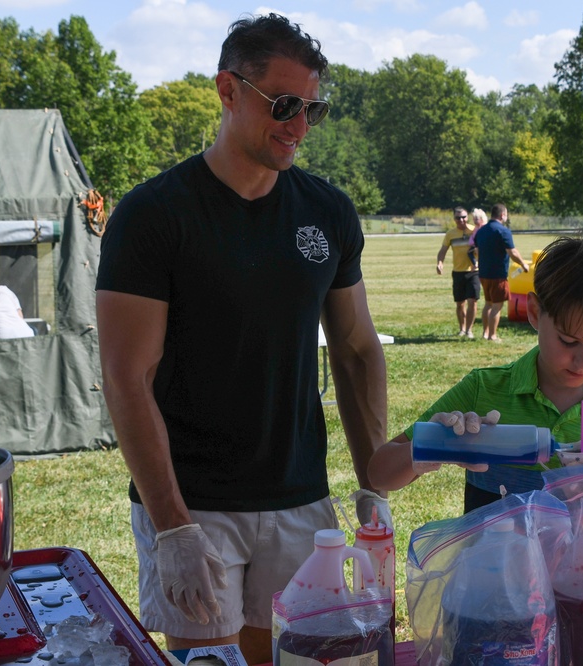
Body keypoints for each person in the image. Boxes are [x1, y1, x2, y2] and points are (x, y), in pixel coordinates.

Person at [94, 13, 389, 665]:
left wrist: (374, 486)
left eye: (313, 108)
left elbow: (357, 349)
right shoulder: (154, 215)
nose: (299, 125)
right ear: (228, 91)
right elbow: (125, 376)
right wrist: (173, 526)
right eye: (284, 104)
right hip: (196, 502)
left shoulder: (327, 211)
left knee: (297, 658)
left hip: (300, 497)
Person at [368, 233, 583, 512]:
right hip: (492, 565)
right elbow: (379, 474)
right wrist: (433, 443)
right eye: (568, 341)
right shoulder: (483, 390)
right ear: (534, 313)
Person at [474, 203, 529, 342]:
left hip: (483, 273)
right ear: (502, 215)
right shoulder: (503, 231)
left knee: (488, 303)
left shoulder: (481, 231)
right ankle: (493, 336)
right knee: (497, 305)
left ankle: (485, 333)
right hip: (498, 274)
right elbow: (512, 252)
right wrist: (523, 264)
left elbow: (476, 251)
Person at [436, 207, 479, 338]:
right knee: (460, 303)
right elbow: (443, 250)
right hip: (458, 272)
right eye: (458, 218)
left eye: (464, 217)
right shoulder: (450, 234)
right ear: (454, 219)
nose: (461, 220)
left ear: (468, 217)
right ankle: (462, 328)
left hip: (473, 272)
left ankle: (469, 330)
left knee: (473, 301)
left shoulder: (475, 231)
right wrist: (440, 263)